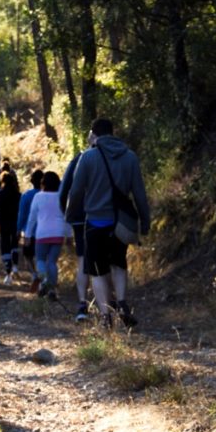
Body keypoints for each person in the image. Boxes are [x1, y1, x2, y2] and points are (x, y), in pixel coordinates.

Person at [64, 118, 150, 327]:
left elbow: (75, 191)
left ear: (94, 133)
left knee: (97, 269)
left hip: (95, 222)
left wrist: (70, 214)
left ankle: (105, 316)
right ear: (113, 132)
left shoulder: (88, 157)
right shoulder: (130, 157)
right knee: (119, 263)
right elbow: (139, 193)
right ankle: (121, 302)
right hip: (121, 223)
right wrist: (145, 221)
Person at [26, 171, 71, 300]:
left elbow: (32, 218)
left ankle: (44, 280)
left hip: (42, 234)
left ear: (43, 183)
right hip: (58, 234)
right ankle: (52, 290)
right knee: (52, 262)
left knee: (40, 259)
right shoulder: (62, 197)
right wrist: (69, 235)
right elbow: (66, 217)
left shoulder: (38, 197)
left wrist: (28, 235)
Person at [60, 146, 92, 322]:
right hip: (109, 217)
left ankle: (82, 304)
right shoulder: (119, 155)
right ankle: (113, 304)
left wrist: (69, 215)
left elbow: (65, 190)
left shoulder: (80, 158)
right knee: (106, 261)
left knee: (83, 262)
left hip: (81, 219)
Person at [18, 169, 45, 291]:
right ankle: (43, 280)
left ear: (32, 181)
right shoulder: (47, 195)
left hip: (30, 232)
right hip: (44, 232)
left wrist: (18, 229)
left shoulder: (26, 195)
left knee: (28, 256)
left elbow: (22, 214)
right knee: (42, 258)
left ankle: (34, 275)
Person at [0, 170, 22, 285]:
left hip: (4, 223)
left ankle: (8, 273)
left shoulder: (0, 193)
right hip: (15, 222)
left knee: (5, 245)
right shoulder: (19, 195)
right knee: (15, 244)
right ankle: (15, 265)